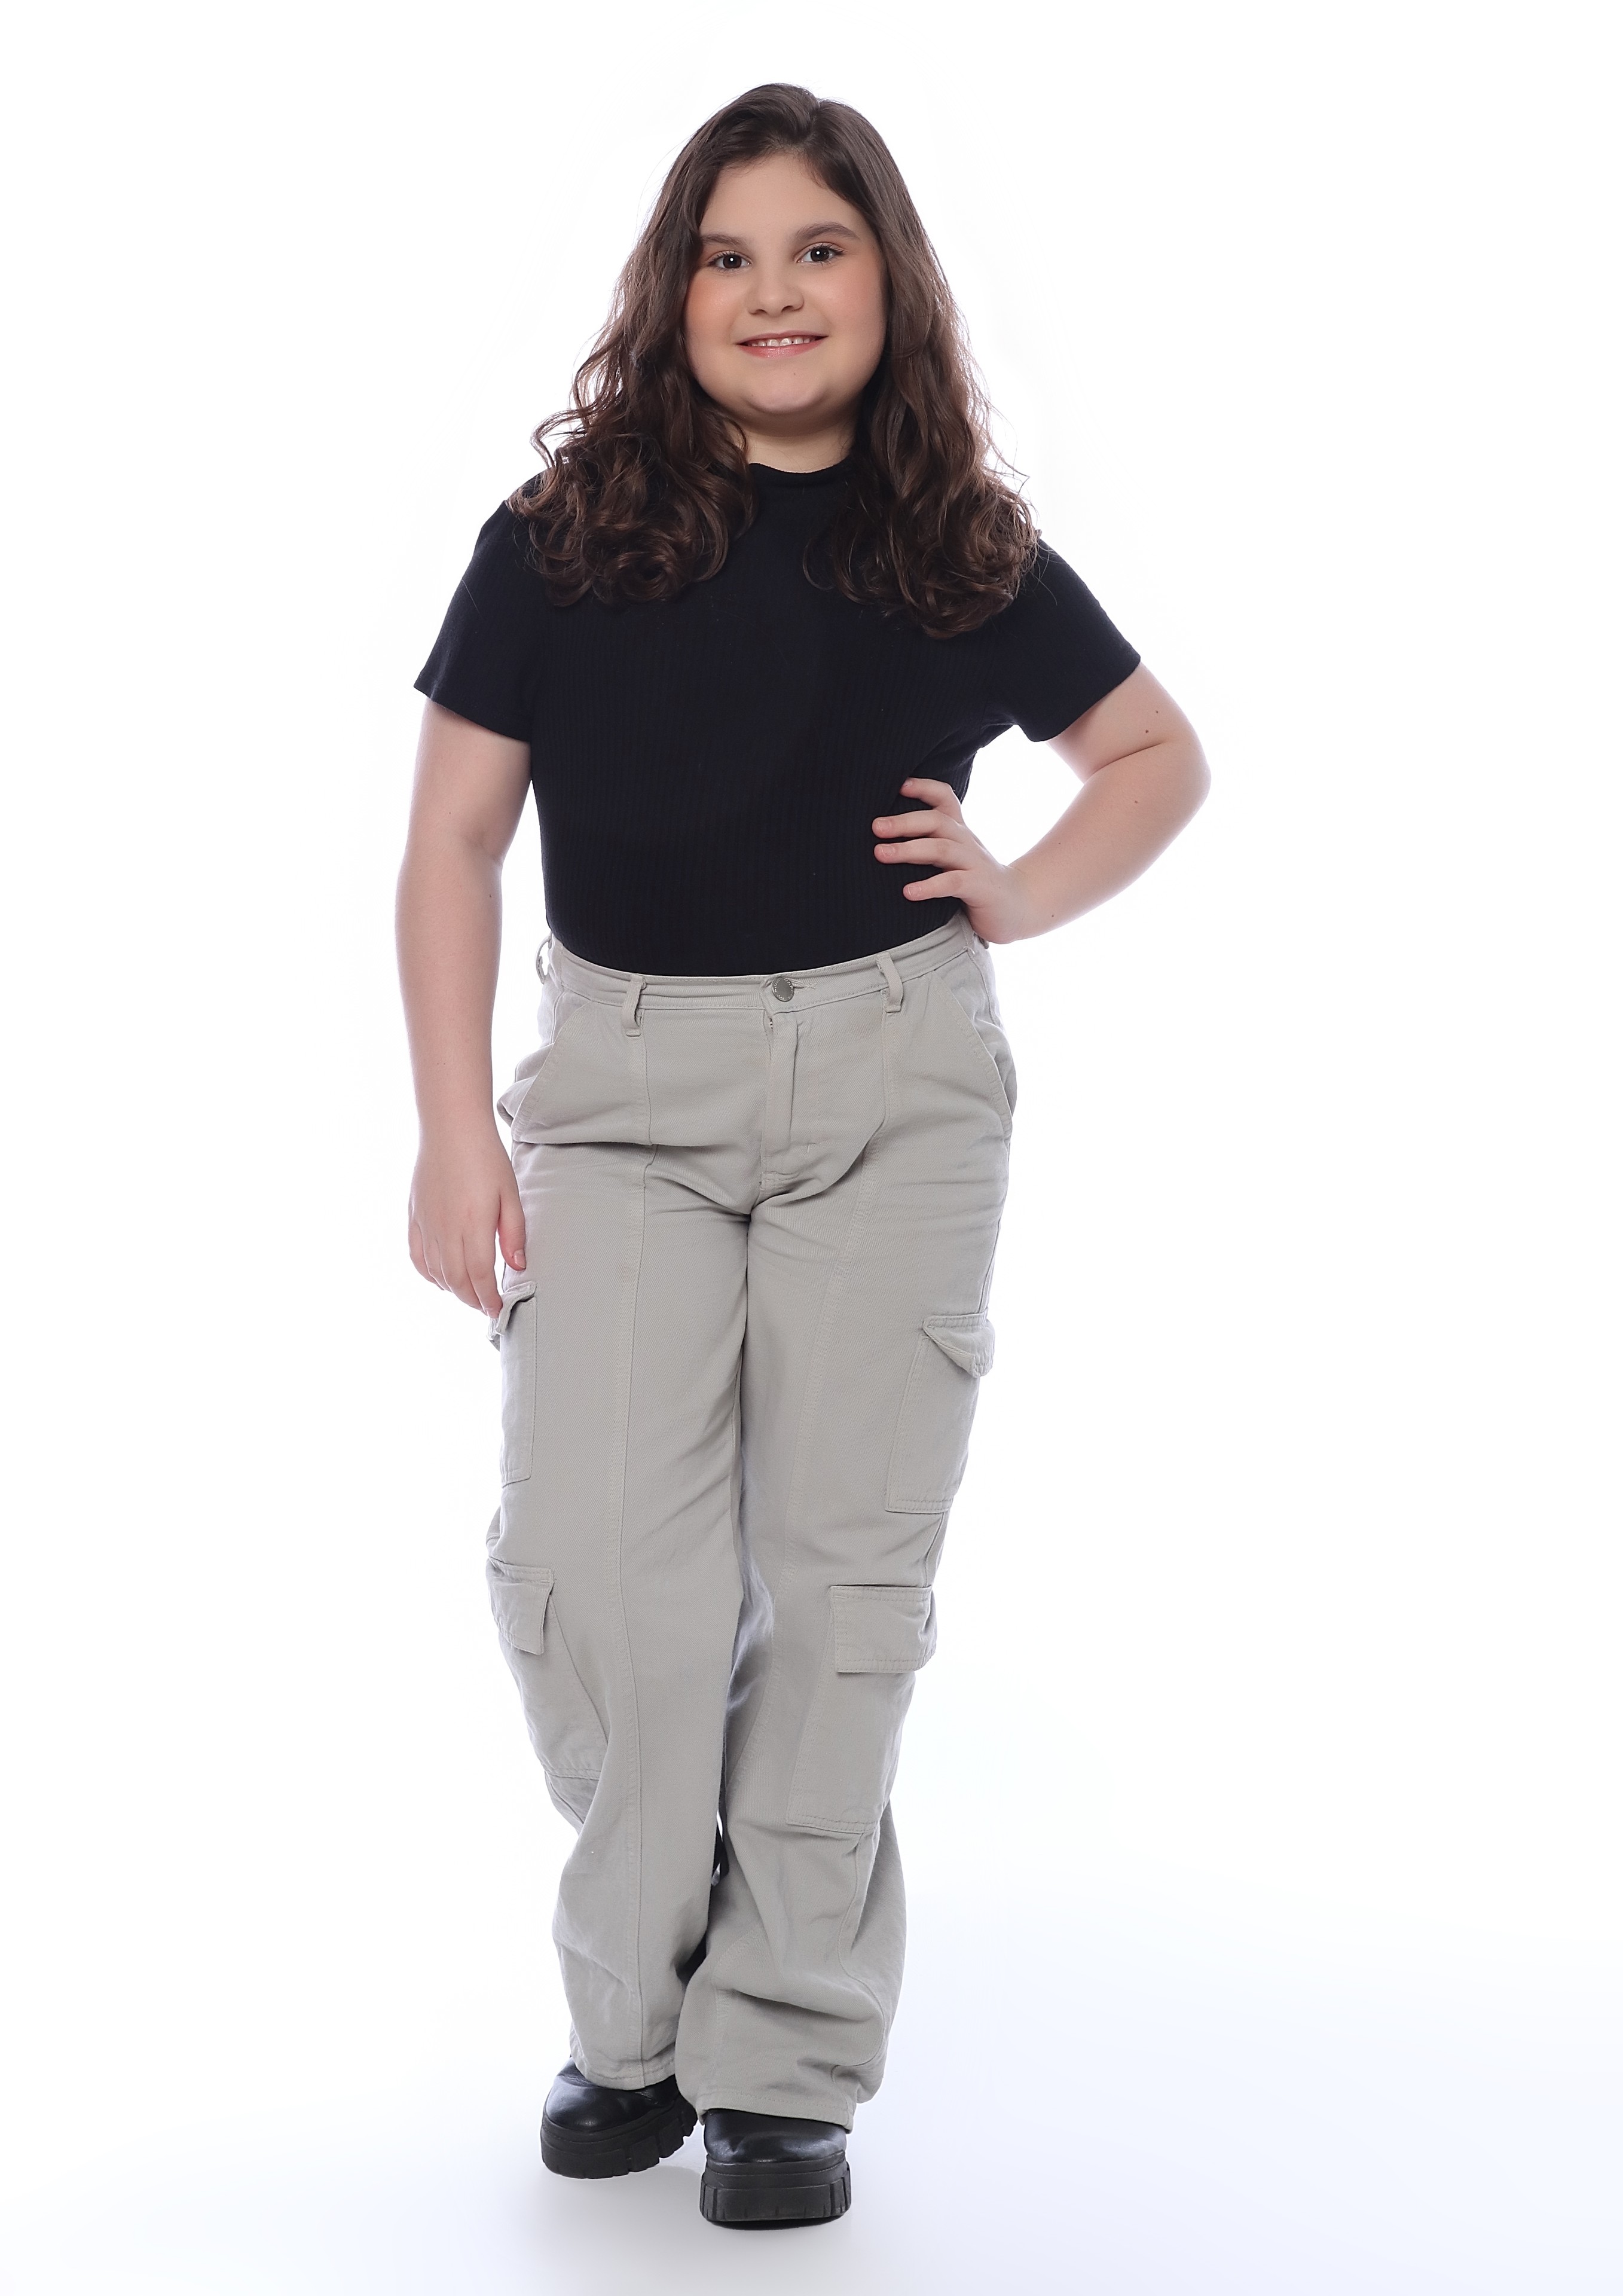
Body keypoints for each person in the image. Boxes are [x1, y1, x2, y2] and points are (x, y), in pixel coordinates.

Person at [396, 82, 1208, 2230]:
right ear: (673, 293)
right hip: (621, 1100)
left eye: (818, 250)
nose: (773, 292)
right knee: (601, 1580)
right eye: (729, 254)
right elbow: (451, 844)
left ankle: (779, 2064)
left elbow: (1151, 755)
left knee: (844, 1594)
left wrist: (1019, 890)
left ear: (886, 281)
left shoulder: (956, 544)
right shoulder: (558, 539)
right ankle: (636, 2014)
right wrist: (450, 1128)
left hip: (892, 1091)